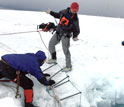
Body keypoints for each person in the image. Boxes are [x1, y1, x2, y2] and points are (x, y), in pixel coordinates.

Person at [46, 2, 80, 72]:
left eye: (76, 10)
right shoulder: (63, 12)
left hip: (66, 35)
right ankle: (53, 59)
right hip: (58, 32)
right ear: (71, 7)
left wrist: (75, 36)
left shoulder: (75, 18)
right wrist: (50, 12)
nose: (74, 11)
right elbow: (57, 15)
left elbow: (76, 29)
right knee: (51, 43)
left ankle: (69, 66)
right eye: (74, 9)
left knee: (66, 50)